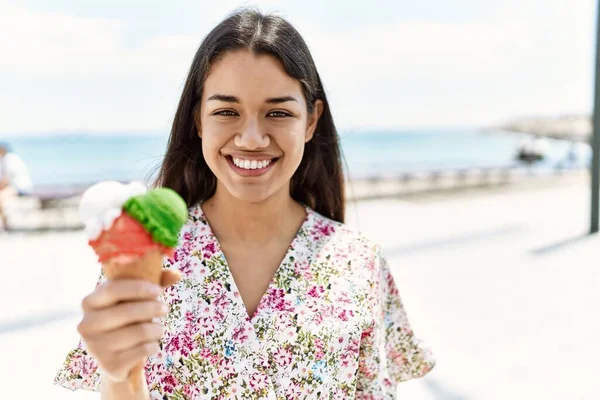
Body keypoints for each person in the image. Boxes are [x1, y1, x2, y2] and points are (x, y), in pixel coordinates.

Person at [54, 8, 435, 399]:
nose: (252, 138)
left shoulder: (360, 263)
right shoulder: (149, 260)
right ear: (198, 119)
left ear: (310, 120)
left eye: (278, 112)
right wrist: (119, 378)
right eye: (226, 111)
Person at [0, 143, 33, 230]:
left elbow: (7, 179)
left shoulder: (9, 159)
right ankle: (5, 223)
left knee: (1, 199)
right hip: (18, 187)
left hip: (20, 187)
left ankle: (6, 225)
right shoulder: (9, 159)